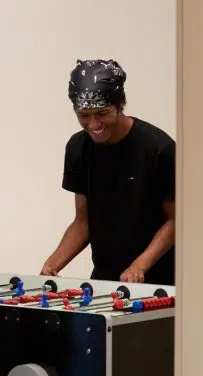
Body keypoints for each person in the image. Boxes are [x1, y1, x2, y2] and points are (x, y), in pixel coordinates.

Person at [41, 58, 175, 286]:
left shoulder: (159, 149)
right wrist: (52, 264)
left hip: (161, 282)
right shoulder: (78, 148)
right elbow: (83, 222)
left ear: (119, 105)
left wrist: (139, 266)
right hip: (105, 280)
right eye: (84, 115)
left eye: (102, 113)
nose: (94, 124)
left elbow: (175, 221)